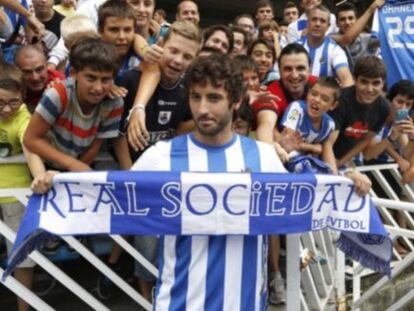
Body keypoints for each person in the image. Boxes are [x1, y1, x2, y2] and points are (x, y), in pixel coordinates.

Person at [133, 52, 286, 309]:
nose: (202, 109)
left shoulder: (264, 156)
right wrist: (58, 184)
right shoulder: (160, 156)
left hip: (244, 303)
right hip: (179, 304)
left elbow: (302, 203)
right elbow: (111, 199)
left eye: (214, 98)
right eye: (195, 97)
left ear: (236, 101)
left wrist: (349, 183)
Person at [117, 21, 200, 300]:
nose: (178, 60)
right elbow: (116, 137)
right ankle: (144, 294)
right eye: (173, 51)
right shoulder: (130, 80)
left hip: (165, 177)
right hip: (130, 173)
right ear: (160, 47)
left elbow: (181, 130)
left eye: (187, 56)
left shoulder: (188, 91)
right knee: (148, 238)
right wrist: (132, 175)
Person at [23, 37, 123, 172]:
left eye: (106, 80)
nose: (98, 87)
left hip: (82, 162)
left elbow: (96, 144)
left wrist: (75, 171)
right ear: (74, 74)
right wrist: (72, 165)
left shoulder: (114, 103)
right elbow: (31, 139)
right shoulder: (58, 95)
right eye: (91, 78)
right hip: (45, 163)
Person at [0, 62, 46, 311]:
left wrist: (38, 176)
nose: (7, 109)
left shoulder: (24, 117)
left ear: (23, 97)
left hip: (15, 196)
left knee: (22, 258)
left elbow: (30, 149)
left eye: (14, 102)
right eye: (0, 103)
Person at [327, 55, 390, 168]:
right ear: (355, 80)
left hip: (344, 159)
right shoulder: (341, 100)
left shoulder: (384, 108)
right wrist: (333, 168)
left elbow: (365, 140)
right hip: (322, 152)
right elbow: (328, 143)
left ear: (383, 83)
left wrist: (341, 163)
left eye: (376, 83)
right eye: (364, 82)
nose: (369, 89)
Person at [281, 76, 340, 173]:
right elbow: (289, 142)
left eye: (325, 99)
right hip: (286, 157)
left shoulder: (330, 125)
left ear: (333, 105)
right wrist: (313, 147)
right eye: (314, 94)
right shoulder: (296, 109)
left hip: (310, 160)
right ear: (308, 94)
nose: (316, 100)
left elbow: (324, 150)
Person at [297, 5, 353, 87]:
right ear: (307, 23)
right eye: (314, 19)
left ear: (328, 26)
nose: (317, 24)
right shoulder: (295, 47)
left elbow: (346, 79)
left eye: (322, 21)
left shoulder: (335, 50)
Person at [267, 43, 318, 125]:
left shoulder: (319, 85)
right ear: (279, 71)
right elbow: (267, 127)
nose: (295, 75)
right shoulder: (271, 94)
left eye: (300, 68)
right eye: (288, 69)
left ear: (310, 69)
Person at [331, 0, 384, 70]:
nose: (347, 22)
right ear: (337, 23)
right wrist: (371, 9)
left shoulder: (368, 39)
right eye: (342, 19)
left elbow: (387, 41)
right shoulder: (330, 39)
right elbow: (346, 39)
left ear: (357, 21)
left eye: (350, 18)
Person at [14, 45, 65, 111]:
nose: (35, 78)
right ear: (17, 71)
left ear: (47, 66)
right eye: (27, 72)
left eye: (39, 69)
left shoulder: (62, 84)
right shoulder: (12, 86)